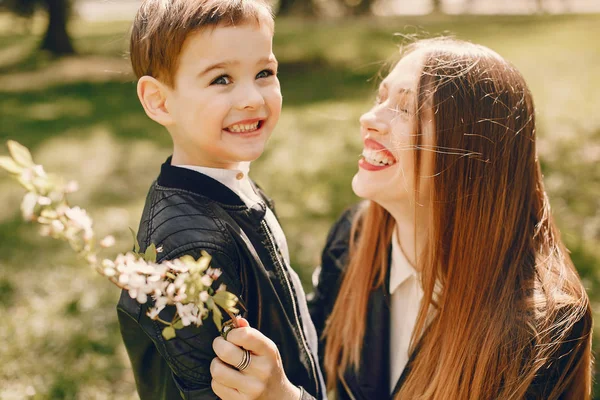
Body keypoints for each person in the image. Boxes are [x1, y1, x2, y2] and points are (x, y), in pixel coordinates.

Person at [212, 37, 593, 399]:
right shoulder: (353, 240)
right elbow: (306, 357)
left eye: (407, 108)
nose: (369, 119)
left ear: (470, 152)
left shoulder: (541, 325)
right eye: (381, 98)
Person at [116, 0, 326, 399]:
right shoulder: (189, 248)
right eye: (221, 80)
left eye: (264, 72)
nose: (252, 98)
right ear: (159, 101)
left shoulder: (234, 183)